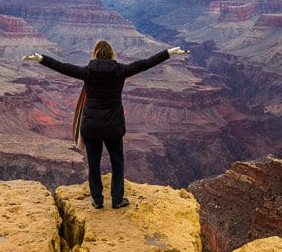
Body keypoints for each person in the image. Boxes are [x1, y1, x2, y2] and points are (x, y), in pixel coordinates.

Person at [24, 40, 188, 209]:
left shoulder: (87, 72)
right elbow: (146, 63)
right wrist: (168, 53)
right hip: (113, 127)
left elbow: (63, 67)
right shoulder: (120, 71)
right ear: (111, 54)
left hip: (91, 127)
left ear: (95, 54)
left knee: (93, 163)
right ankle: (117, 199)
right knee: (117, 162)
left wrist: (41, 58)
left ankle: (97, 199)